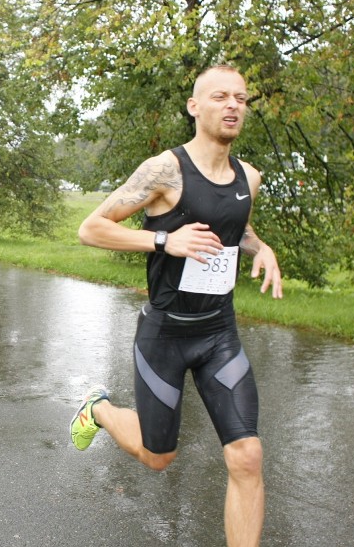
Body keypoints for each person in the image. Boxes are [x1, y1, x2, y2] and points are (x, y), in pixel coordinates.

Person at [70, 65, 283, 547]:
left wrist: (261, 249)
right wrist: (165, 239)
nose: (233, 106)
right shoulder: (164, 170)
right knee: (157, 456)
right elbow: (91, 228)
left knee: (247, 455)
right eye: (221, 97)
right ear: (194, 106)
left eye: (242, 99)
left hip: (218, 333)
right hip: (165, 333)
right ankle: (98, 410)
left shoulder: (249, 176)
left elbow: (235, 229)